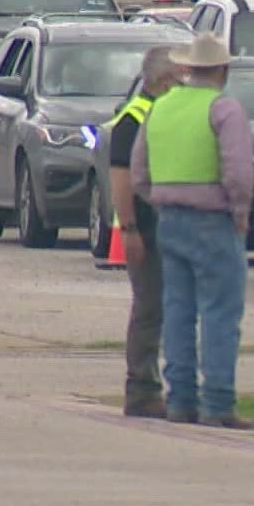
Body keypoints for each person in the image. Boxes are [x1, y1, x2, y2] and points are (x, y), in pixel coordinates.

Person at [131, 33, 254, 429]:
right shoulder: (224, 109)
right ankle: (218, 404)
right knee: (219, 312)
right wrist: (240, 210)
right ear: (223, 69)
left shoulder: (161, 108)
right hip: (213, 219)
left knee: (178, 312)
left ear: (188, 68)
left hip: (169, 219)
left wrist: (159, 198)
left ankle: (180, 400)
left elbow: (139, 171)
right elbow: (238, 170)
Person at [108, 46, 182, 419]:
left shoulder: (157, 114)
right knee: (149, 308)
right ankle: (141, 389)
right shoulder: (133, 119)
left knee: (160, 308)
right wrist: (130, 229)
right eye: (179, 77)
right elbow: (120, 179)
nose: (184, 84)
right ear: (163, 80)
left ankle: (154, 387)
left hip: (160, 228)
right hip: (145, 231)